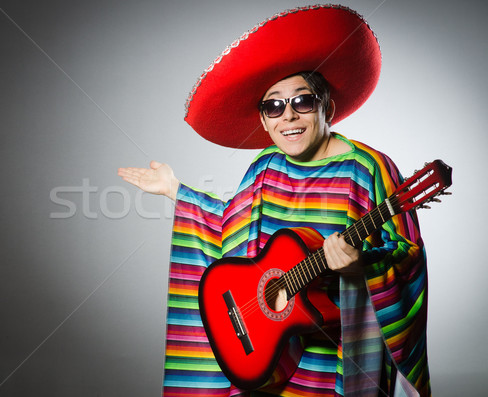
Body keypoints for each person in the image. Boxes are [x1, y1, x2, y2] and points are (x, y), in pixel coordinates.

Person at [119, 5, 430, 397]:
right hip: (269, 349)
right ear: (264, 122)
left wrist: (359, 267)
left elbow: (407, 256)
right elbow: (229, 225)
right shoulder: (265, 166)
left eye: (302, 101)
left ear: (326, 107)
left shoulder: (369, 168)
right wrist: (175, 190)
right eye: (273, 106)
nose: (289, 116)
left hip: (336, 357)